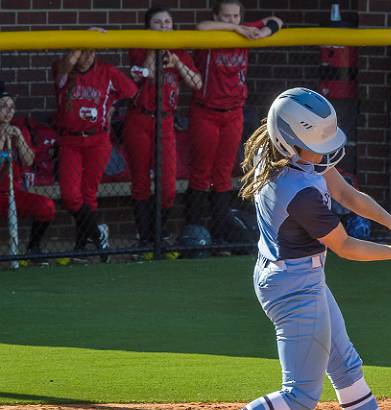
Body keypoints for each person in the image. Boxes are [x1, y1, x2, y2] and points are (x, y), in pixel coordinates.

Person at [175, 88, 391, 410]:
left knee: (347, 369)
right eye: (313, 146)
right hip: (294, 286)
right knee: (301, 396)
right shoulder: (298, 191)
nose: (322, 154)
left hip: (293, 274)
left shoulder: (277, 151)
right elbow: (345, 246)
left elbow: (344, 192)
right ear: (290, 141)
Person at [185, 0, 283, 251]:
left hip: (233, 112)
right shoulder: (215, 33)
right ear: (218, 15)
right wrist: (236, 30)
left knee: (224, 174)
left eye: (236, 16)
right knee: (201, 172)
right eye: (226, 16)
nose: (232, 20)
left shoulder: (246, 30)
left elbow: (276, 21)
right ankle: (193, 231)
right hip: (206, 112)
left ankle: (219, 235)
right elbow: (201, 27)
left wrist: (263, 31)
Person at [52, 32, 138, 262]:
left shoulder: (107, 72)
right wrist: (82, 41)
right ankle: (98, 236)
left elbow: (131, 91)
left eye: (93, 51)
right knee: (71, 196)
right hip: (70, 140)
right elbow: (64, 68)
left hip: (98, 140)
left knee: (88, 195)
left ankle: (81, 249)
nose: (88, 56)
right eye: (83, 51)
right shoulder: (63, 71)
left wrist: (112, 106)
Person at [123, 6, 202, 252]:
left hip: (166, 120)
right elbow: (144, 77)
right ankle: (145, 239)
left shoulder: (178, 52)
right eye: (158, 23)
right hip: (139, 119)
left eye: (167, 22)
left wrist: (176, 61)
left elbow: (197, 83)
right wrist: (154, 50)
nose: (164, 26)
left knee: (168, 185)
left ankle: (160, 233)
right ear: (148, 28)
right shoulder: (138, 47)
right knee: (140, 183)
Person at [0, 82, 56, 262]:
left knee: (46, 206)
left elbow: (29, 160)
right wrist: (2, 138)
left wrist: (19, 138)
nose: (8, 111)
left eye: (11, 107)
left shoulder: (17, 129)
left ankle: (33, 248)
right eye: (2, 106)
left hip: (12, 194)